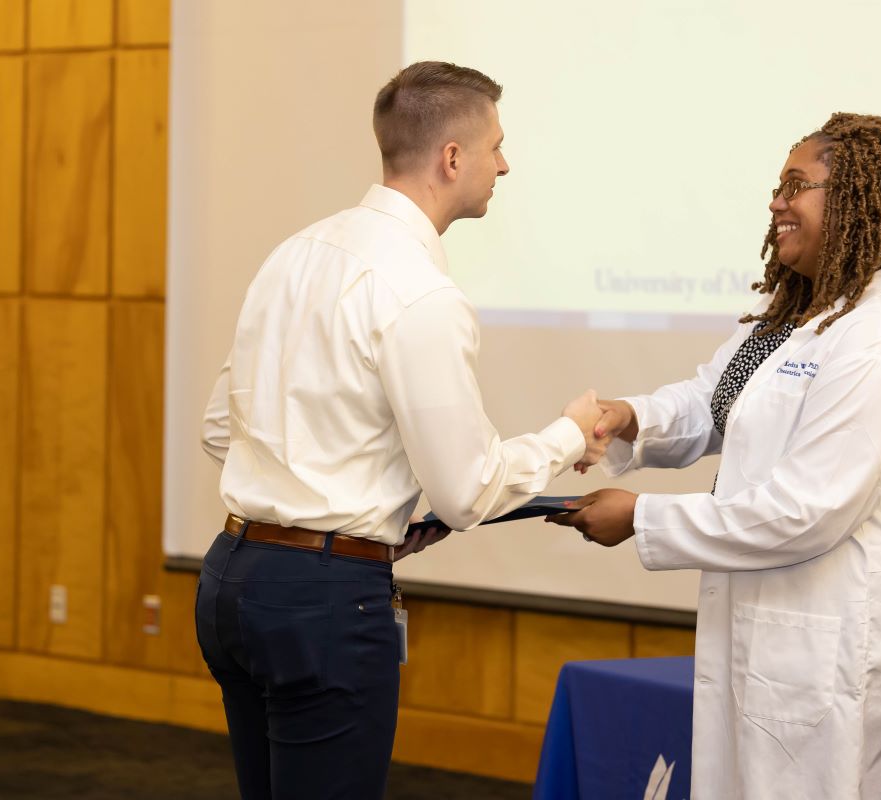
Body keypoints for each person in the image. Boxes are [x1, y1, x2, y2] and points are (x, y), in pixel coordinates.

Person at [194, 61, 605, 800]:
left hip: (231, 578)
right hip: (322, 602)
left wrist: (363, 499)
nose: (504, 164)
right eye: (496, 147)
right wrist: (570, 435)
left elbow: (222, 428)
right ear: (452, 159)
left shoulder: (294, 254)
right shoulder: (419, 290)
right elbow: (467, 492)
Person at [549, 113, 881, 799]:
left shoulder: (876, 341)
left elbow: (808, 512)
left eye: (797, 185)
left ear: (855, 199)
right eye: (778, 184)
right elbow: (719, 400)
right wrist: (632, 418)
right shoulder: (799, 312)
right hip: (773, 626)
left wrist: (642, 519)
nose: (776, 203)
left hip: (835, 637)